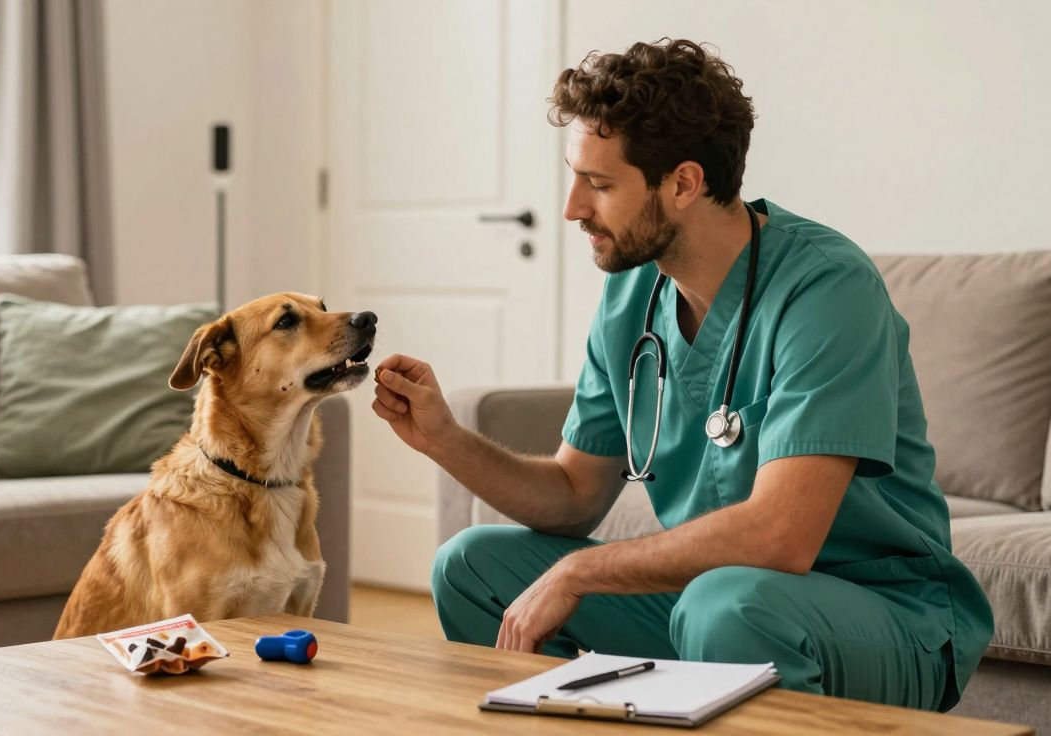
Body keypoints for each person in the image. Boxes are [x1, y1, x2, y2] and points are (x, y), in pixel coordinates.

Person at [369, 39, 992, 711]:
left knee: (725, 608)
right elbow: (576, 495)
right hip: (715, 592)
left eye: (600, 185)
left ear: (684, 183)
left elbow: (781, 537)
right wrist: (445, 439)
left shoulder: (827, 287)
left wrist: (582, 571)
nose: (574, 208)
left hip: (883, 611)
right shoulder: (632, 292)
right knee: (471, 566)